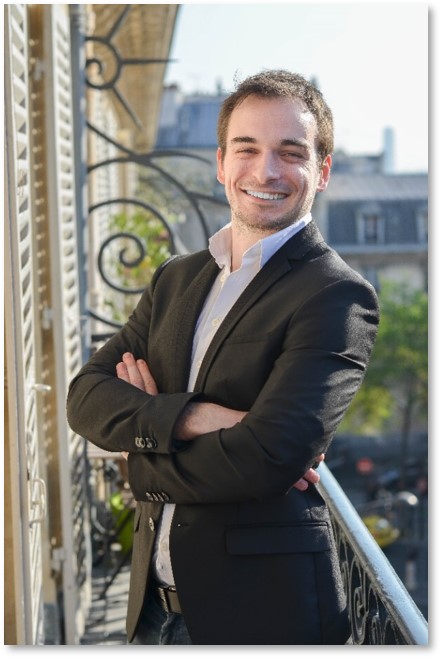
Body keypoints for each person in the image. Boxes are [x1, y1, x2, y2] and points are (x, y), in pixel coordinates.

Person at [67, 69, 379, 645]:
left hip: (260, 617)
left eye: (291, 153)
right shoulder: (175, 279)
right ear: (220, 162)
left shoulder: (335, 295)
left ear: (323, 171)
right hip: (151, 612)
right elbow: (85, 399)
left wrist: (140, 454)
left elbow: (268, 458)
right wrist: (193, 417)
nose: (266, 171)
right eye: (247, 148)